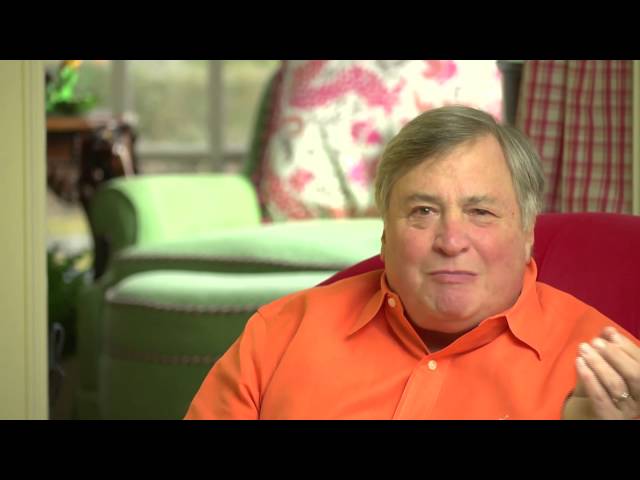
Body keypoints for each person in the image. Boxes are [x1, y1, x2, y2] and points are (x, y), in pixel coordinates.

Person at [185, 105, 640, 420]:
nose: (451, 241)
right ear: (385, 235)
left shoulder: (615, 372)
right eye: (423, 211)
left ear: (527, 235)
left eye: (480, 212)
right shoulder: (279, 334)